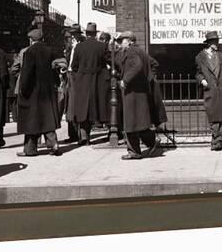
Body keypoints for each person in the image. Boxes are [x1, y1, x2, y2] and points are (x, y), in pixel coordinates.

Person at [118, 31, 166, 160]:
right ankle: (152, 141)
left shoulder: (131, 52)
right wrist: (148, 79)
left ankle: (134, 151)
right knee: (139, 121)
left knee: (130, 121)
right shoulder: (142, 52)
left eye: (122, 40)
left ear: (129, 41)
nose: (120, 43)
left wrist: (125, 80)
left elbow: (137, 66)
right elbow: (154, 64)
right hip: (141, 92)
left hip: (132, 92)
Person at [16, 29, 62, 156]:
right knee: (48, 118)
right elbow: (54, 69)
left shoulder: (29, 52)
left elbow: (26, 74)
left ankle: (30, 149)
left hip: (33, 91)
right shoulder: (49, 51)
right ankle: (53, 144)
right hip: (47, 90)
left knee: (31, 119)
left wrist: (23, 90)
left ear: (31, 39)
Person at [70, 22, 107, 145]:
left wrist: (78, 75)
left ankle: (84, 136)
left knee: (82, 108)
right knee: (94, 107)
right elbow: (106, 63)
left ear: (86, 33)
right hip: (97, 80)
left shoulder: (79, 47)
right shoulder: (102, 46)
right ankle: (89, 134)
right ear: (95, 34)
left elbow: (74, 65)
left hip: (82, 81)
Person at [195, 31, 222, 151]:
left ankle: (219, 141)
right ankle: (216, 140)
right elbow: (198, 73)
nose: (217, 44)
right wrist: (202, 80)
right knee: (213, 115)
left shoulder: (221, 55)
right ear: (209, 43)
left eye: (217, 41)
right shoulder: (200, 57)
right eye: (215, 42)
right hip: (210, 89)